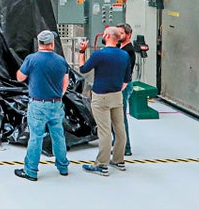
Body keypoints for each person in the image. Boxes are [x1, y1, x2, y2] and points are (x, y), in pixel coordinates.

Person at [13, 30, 70, 181]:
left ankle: (31, 171)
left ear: (39, 43)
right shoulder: (61, 60)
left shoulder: (32, 59)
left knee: (36, 137)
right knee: (58, 136)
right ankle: (63, 167)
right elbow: (66, 81)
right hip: (56, 103)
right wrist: (59, 95)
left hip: (38, 104)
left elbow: (20, 77)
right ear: (52, 44)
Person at [79, 26, 132, 176]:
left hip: (100, 96)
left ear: (108, 36)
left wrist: (82, 51)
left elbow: (83, 69)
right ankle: (119, 160)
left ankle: (101, 164)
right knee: (120, 129)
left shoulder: (99, 55)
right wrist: (116, 90)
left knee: (105, 131)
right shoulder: (124, 55)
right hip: (117, 96)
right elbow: (126, 79)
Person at [118, 23, 136, 156]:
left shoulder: (128, 51)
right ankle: (118, 142)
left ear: (128, 34)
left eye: (121, 33)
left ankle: (126, 147)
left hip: (123, 86)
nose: (118, 36)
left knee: (120, 116)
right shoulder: (119, 47)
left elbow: (125, 72)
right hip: (118, 85)